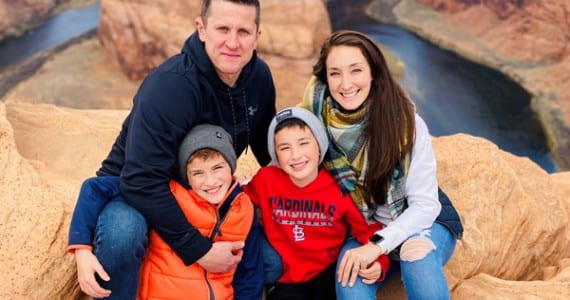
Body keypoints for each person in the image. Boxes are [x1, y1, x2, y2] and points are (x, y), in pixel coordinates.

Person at [67, 0, 276, 298]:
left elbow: (267, 149)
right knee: (123, 234)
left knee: (270, 260)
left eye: (243, 31)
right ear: (201, 29)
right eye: (222, 29)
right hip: (135, 193)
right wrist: (200, 251)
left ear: (257, 35)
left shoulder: (258, 78)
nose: (233, 42)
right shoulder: (171, 87)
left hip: (204, 195)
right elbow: (140, 181)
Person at [299, 30, 464, 300]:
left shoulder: (404, 122)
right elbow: (287, 159)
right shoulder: (314, 120)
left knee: (417, 258)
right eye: (335, 73)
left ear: (373, 72)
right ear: (325, 78)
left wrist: (378, 247)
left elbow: (425, 205)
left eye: (356, 71)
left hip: (417, 220)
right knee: (350, 280)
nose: (346, 83)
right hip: (362, 226)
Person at [68, 124, 263, 299]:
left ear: (232, 167)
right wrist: (82, 249)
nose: (210, 181)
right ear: (186, 175)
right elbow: (94, 187)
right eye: (198, 173)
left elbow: (249, 274)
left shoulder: (244, 208)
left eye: (217, 168)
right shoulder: (167, 193)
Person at [243, 107, 391, 300]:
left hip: (327, 272)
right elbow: (240, 201)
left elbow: (367, 229)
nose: (296, 155)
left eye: (303, 143)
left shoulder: (340, 185)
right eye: (285, 148)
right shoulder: (266, 180)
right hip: (286, 278)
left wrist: (381, 262)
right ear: (275, 154)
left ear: (319, 145)